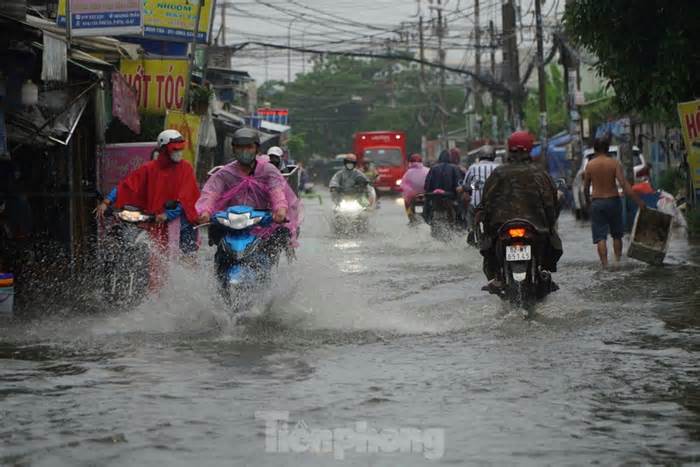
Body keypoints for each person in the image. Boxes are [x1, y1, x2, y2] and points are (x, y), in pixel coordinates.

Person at [195, 128, 301, 256]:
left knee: (271, 248)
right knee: (220, 250)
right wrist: (205, 211)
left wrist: (280, 210)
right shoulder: (225, 173)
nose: (244, 151)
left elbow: (277, 192)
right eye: (239, 147)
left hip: (261, 224)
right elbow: (211, 193)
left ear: (257, 149)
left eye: (249, 147)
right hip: (231, 224)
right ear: (233, 149)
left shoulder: (268, 171)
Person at [479, 131, 562, 291]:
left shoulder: (498, 173)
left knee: (488, 244)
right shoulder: (540, 173)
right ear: (530, 149)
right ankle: (543, 271)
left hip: (501, 227)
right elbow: (551, 203)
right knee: (551, 242)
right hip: (537, 227)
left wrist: (487, 223)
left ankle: (497, 276)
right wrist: (550, 224)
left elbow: (486, 203)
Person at [96, 130, 200, 255]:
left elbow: (187, 199)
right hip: (154, 220)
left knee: (186, 258)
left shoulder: (186, 168)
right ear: (163, 149)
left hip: (181, 223)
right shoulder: (149, 168)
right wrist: (106, 202)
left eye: (180, 149)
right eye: (175, 149)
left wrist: (168, 215)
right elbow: (126, 186)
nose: (179, 153)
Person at [583, 137, 645, 268]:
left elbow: (585, 188)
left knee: (600, 237)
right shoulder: (614, 163)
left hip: (597, 202)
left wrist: (588, 203)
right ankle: (617, 262)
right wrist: (638, 201)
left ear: (595, 149)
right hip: (613, 201)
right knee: (617, 235)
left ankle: (605, 265)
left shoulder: (590, 165)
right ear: (607, 148)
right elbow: (623, 183)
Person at [462, 145, 499, 241]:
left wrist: (474, 188)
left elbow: (465, 185)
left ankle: (470, 230)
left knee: (469, 211)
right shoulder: (498, 167)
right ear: (493, 156)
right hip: (495, 204)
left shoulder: (473, 167)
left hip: (476, 204)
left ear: (480, 156)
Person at [423, 150, 463, 223]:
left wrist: (429, 193)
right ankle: (461, 222)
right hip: (450, 196)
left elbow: (427, 185)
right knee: (460, 208)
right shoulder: (455, 168)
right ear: (449, 158)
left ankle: (427, 219)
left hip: (434, 196)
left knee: (427, 205)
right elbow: (459, 184)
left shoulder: (433, 168)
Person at [400, 154, 429, 224]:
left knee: (406, 202)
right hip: (426, 193)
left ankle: (410, 218)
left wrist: (411, 191)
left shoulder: (408, 172)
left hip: (412, 196)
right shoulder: (428, 170)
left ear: (410, 162)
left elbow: (403, 184)